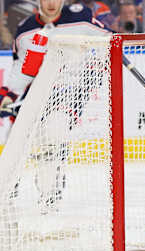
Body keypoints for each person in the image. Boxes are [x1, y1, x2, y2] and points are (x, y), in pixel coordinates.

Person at [0, 0, 110, 213]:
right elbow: (22, 70)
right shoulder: (25, 30)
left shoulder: (81, 18)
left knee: (53, 135)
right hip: (34, 99)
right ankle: (7, 193)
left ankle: (50, 197)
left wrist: (96, 63)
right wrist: (9, 96)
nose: (51, 3)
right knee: (14, 141)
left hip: (67, 96)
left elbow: (111, 40)